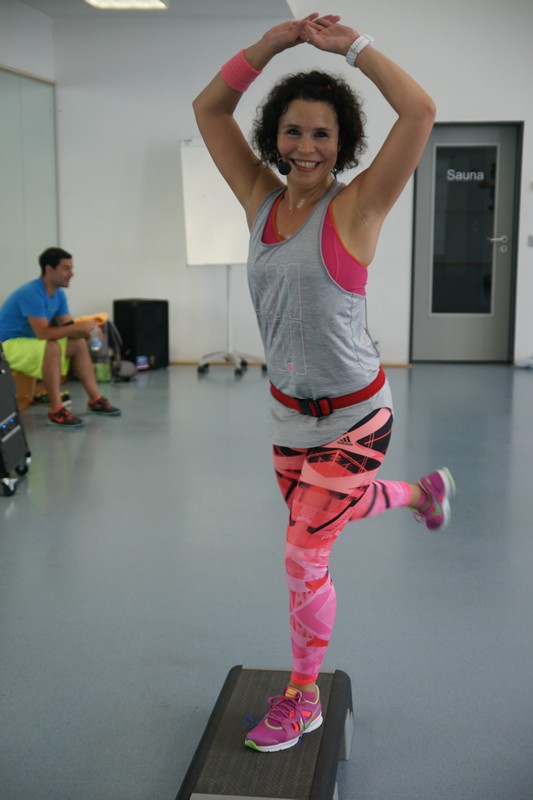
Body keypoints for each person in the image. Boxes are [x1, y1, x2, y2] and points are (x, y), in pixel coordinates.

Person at [193, 14, 456, 753]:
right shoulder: (259, 199)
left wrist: (354, 49)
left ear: (342, 144)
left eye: (321, 134)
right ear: (273, 136)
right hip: (288, 420)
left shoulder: (357, 206)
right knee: (328, 516)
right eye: (293, 131)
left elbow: (420, 111)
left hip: (356, 417)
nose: (305, 147)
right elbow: (208, 110)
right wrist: (275, 43)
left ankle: (301, 699)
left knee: (305, 553)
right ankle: (420, 495)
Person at [0, 247, 120, 427]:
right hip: (7, 345)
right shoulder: (31, 293)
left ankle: (95, 401)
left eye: (71, 268)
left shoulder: (58, 295)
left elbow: (68, 327)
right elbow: (43, 333)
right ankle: (56, 411)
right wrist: (76, 328)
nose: (71, 273)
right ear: (49, 269)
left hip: (30, 342)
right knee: (52, 346)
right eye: (66, 268)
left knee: (78, 343)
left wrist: (88, 331)